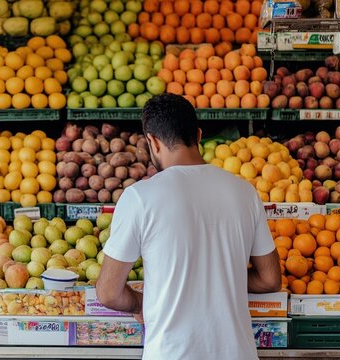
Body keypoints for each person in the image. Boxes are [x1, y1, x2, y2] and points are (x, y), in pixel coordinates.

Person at [96, 93, 282, 360]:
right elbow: (270, 279)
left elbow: (108, 292)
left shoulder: (139, 197)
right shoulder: (245, 192)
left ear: (153, 141)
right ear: (198, 134)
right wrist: (223, 278)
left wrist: (142, 302)